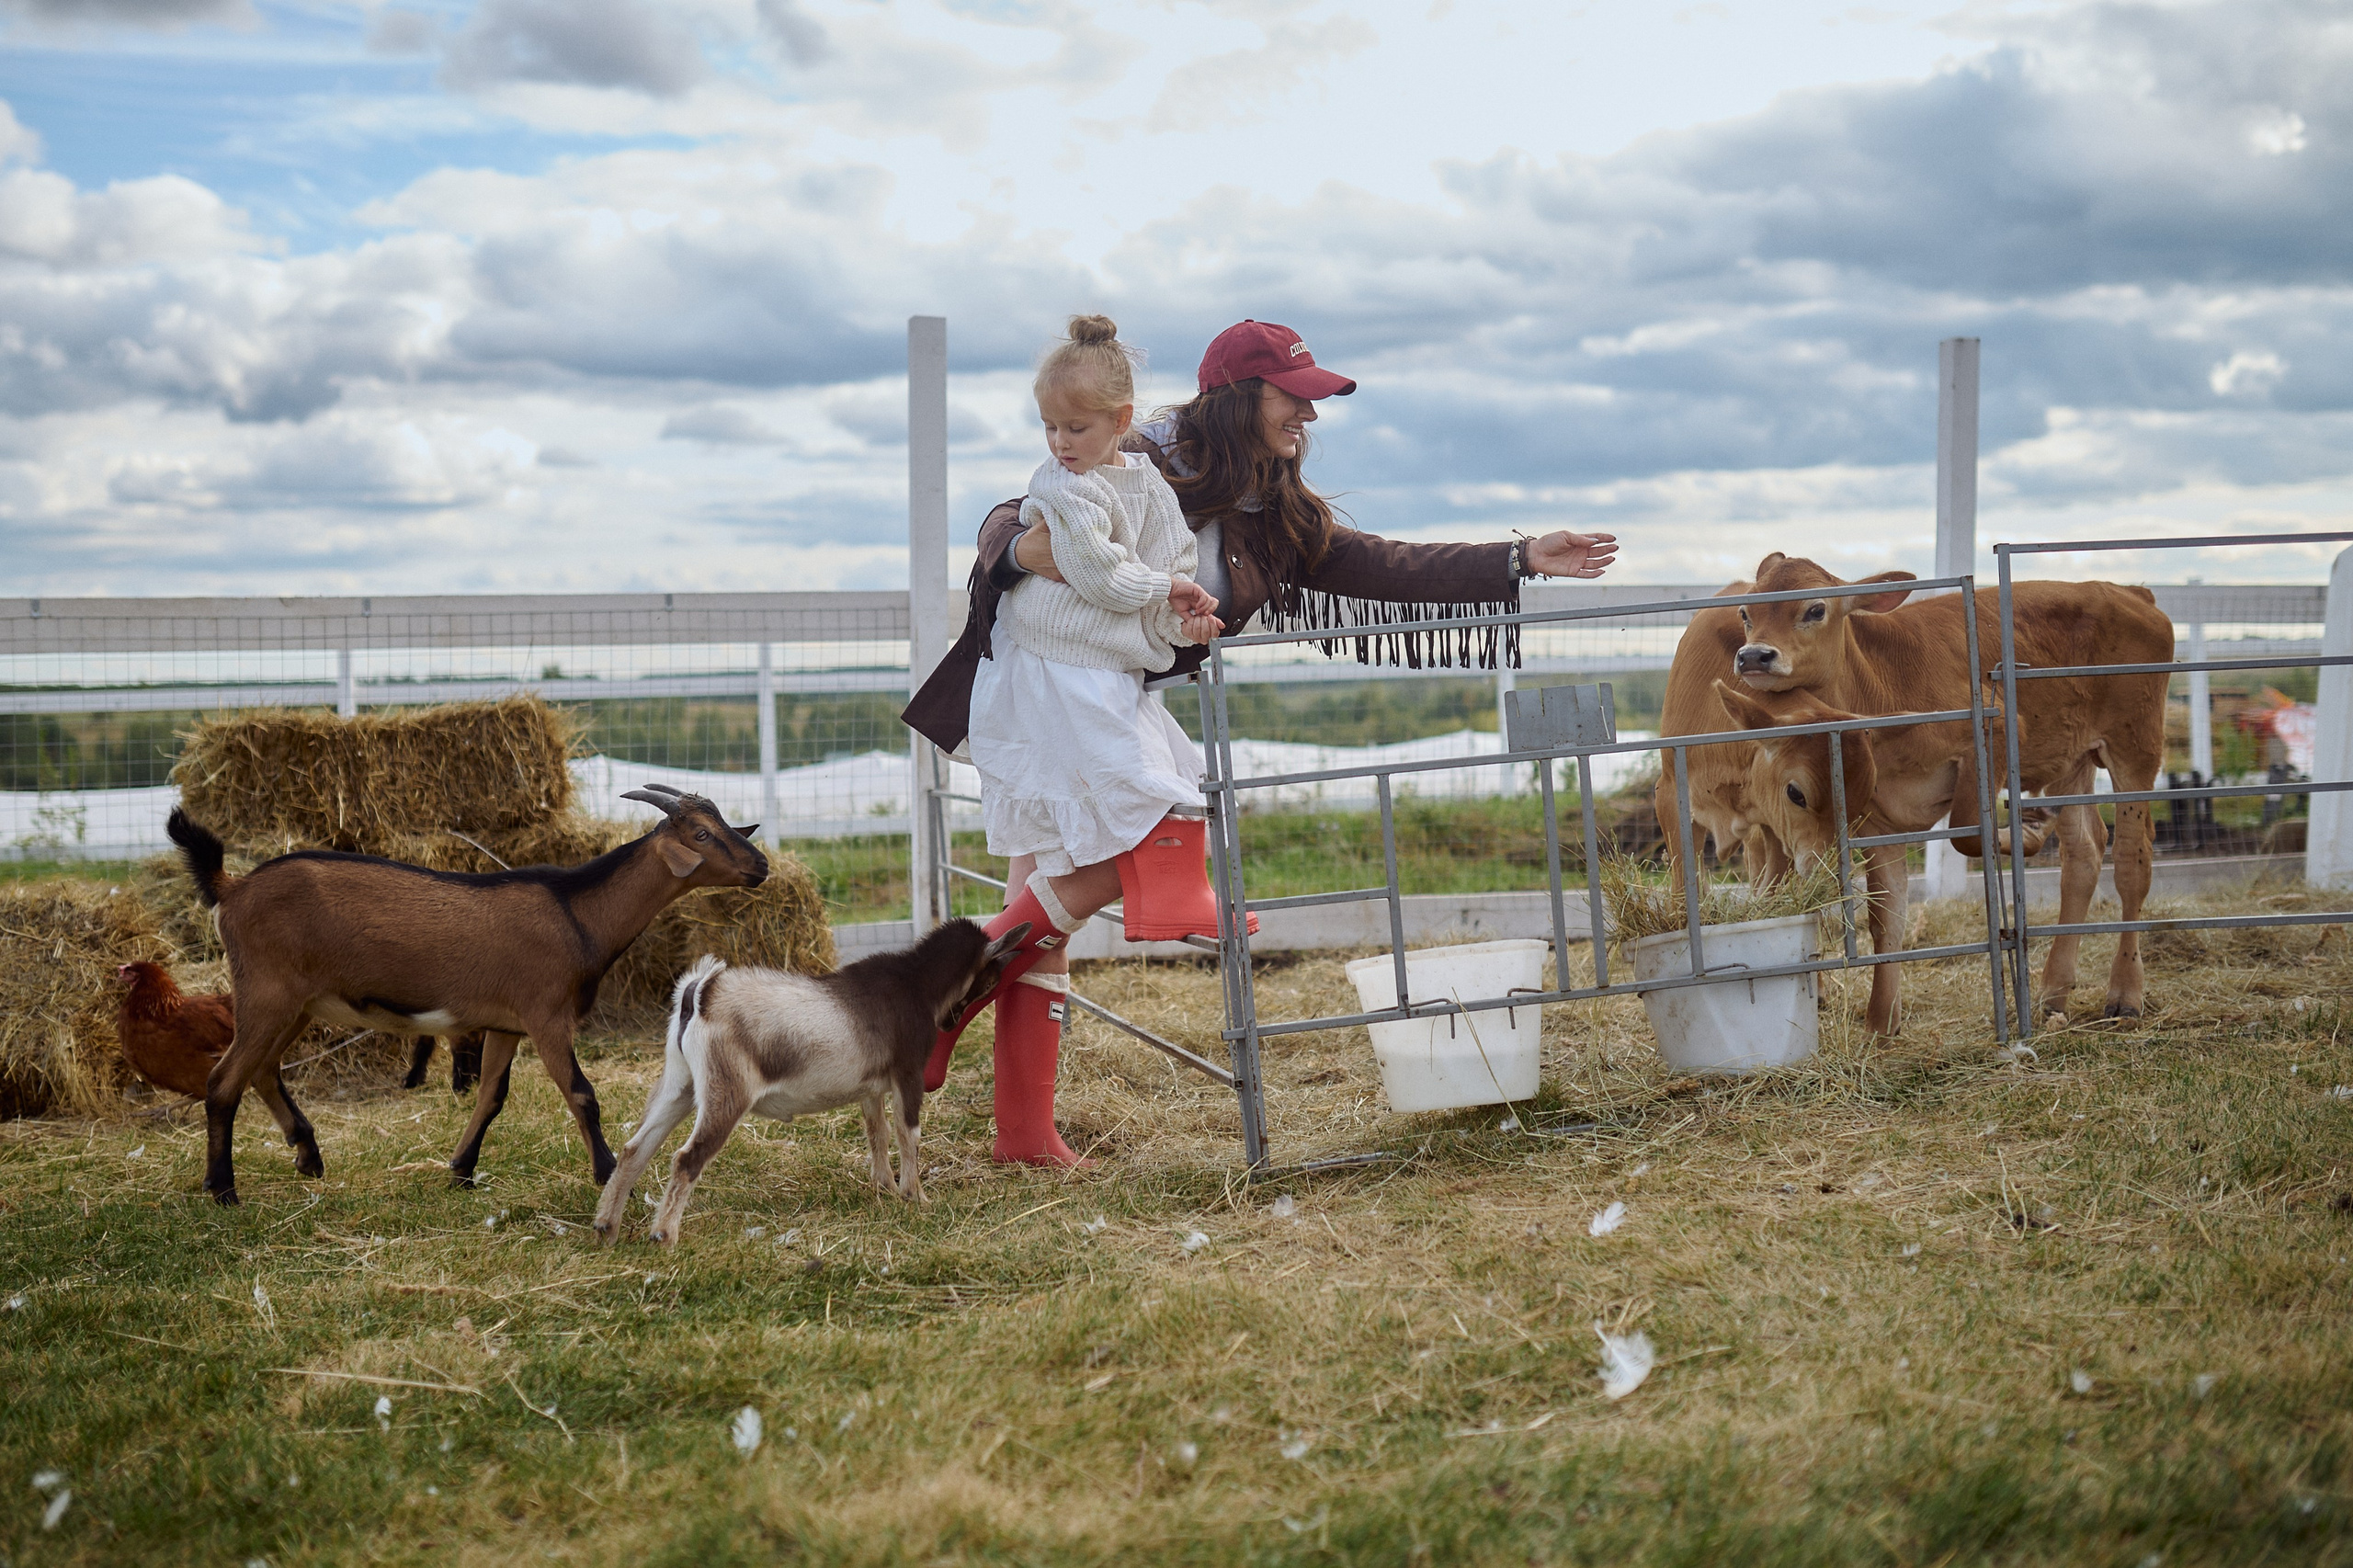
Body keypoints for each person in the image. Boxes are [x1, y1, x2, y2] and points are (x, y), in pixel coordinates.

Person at [904, 318, 1619, 1166]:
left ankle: (996, 1090)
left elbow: (1378, 564)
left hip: (1113, 695)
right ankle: (979, 1043)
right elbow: (1007, 518)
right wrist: (1024, 548)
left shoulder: (1268, 506)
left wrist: (1519, 559)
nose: (1307, 420)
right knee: (1133, 840)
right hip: (1055, 692)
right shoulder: (1134, 450)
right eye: (1295, 400)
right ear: (1242, 399)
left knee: (1049, 905)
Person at [923, 314, 1234, 1167]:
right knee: (1156, 793)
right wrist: (1168, 589)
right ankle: (1171, 896)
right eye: (1051, 426)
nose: (1060, 442)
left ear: (1124, 419)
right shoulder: (1058, 487)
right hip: (1053, 677)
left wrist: (1187, 609)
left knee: (1152, 797)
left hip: (1103, 674)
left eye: (1079, 426)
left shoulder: (1147, 486)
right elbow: (1099, 572)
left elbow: (1165, 564)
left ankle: (970, 1043)